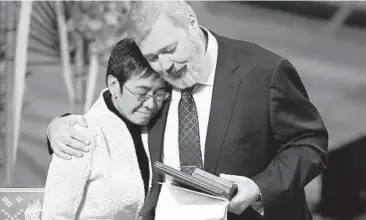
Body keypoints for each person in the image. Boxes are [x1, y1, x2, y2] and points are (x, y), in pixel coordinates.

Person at [46, 1, 329, 220]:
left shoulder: (263, 72)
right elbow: (115, 104)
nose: (165, 65)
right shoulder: (157, 83)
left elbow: (309, 142)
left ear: (191, 23)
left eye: (170, 49)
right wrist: (59, 126)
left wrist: (259, 187)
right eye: (153, 57)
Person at [42, 38, 170, 220]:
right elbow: (55, 215)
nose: (151, 104)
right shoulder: (80, 135)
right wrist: (54, 127)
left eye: (159, 93)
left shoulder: (160, 125)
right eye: (141, 93)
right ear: (113, 85)